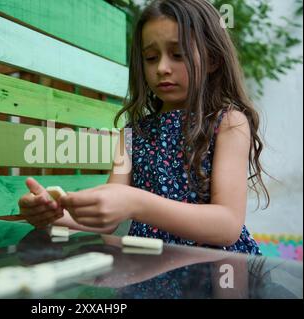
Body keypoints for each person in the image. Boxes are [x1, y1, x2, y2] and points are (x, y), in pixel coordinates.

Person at [18, 0, 270, 255]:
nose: (161, 68)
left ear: (213, 59)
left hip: (212, 274)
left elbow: (227, 226)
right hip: (147, 270)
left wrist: (136, 203)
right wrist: (53, 213)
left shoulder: (228, 123)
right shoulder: (132, 134)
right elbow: (108, 221)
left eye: (178, 54)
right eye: (151, 57)